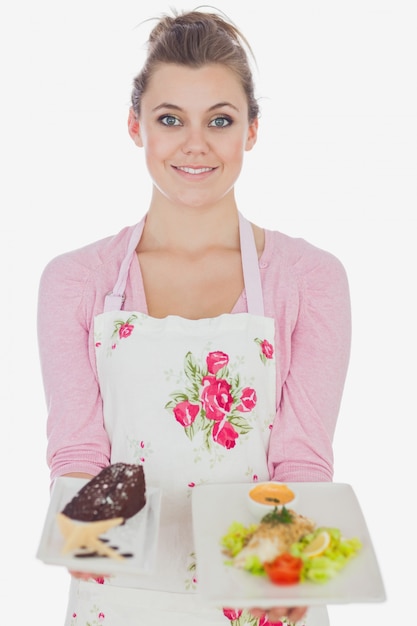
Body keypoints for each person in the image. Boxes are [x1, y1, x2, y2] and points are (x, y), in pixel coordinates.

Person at [37, 9, 351, 626]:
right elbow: (77, 450)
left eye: (221, 120)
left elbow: (302, 458)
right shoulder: (75, 281)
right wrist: (80, 539)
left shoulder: (310, 279)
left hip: (258, 592)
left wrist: (285, 579)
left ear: (252, 131)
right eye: (170, 119)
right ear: (136, 127)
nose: (195, 144)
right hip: (120, 595)